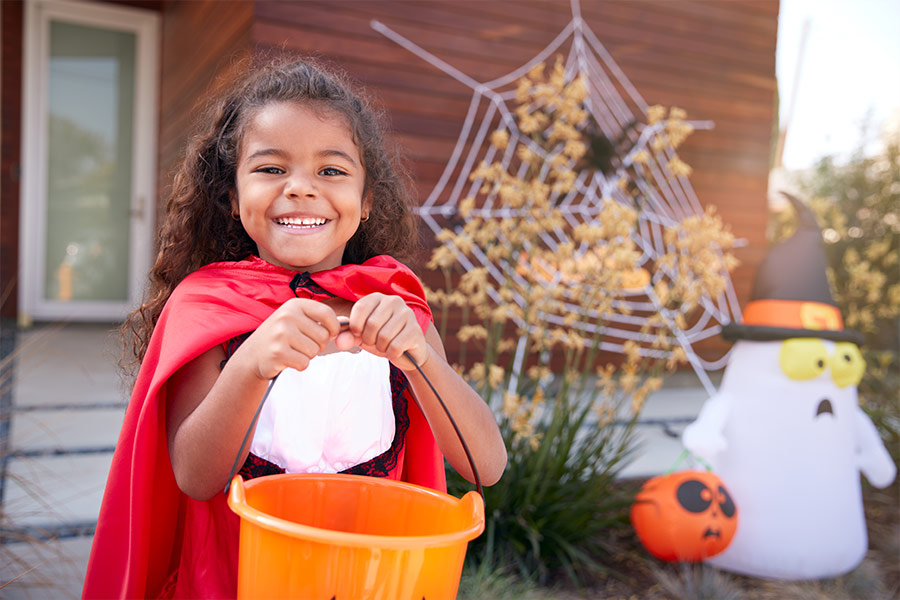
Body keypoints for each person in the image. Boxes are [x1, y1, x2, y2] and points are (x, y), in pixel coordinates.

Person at [82, 57, 507, 599]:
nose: (301, 189)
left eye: (331, 170)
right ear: (233, 198)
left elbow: (484, 466)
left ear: (366, 199)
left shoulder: (398, 307)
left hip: (373, 585)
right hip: (231, 583)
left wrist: (419, 357)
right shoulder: (206, 308)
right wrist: (253, 363)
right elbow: (194, 476)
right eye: (270, 168)